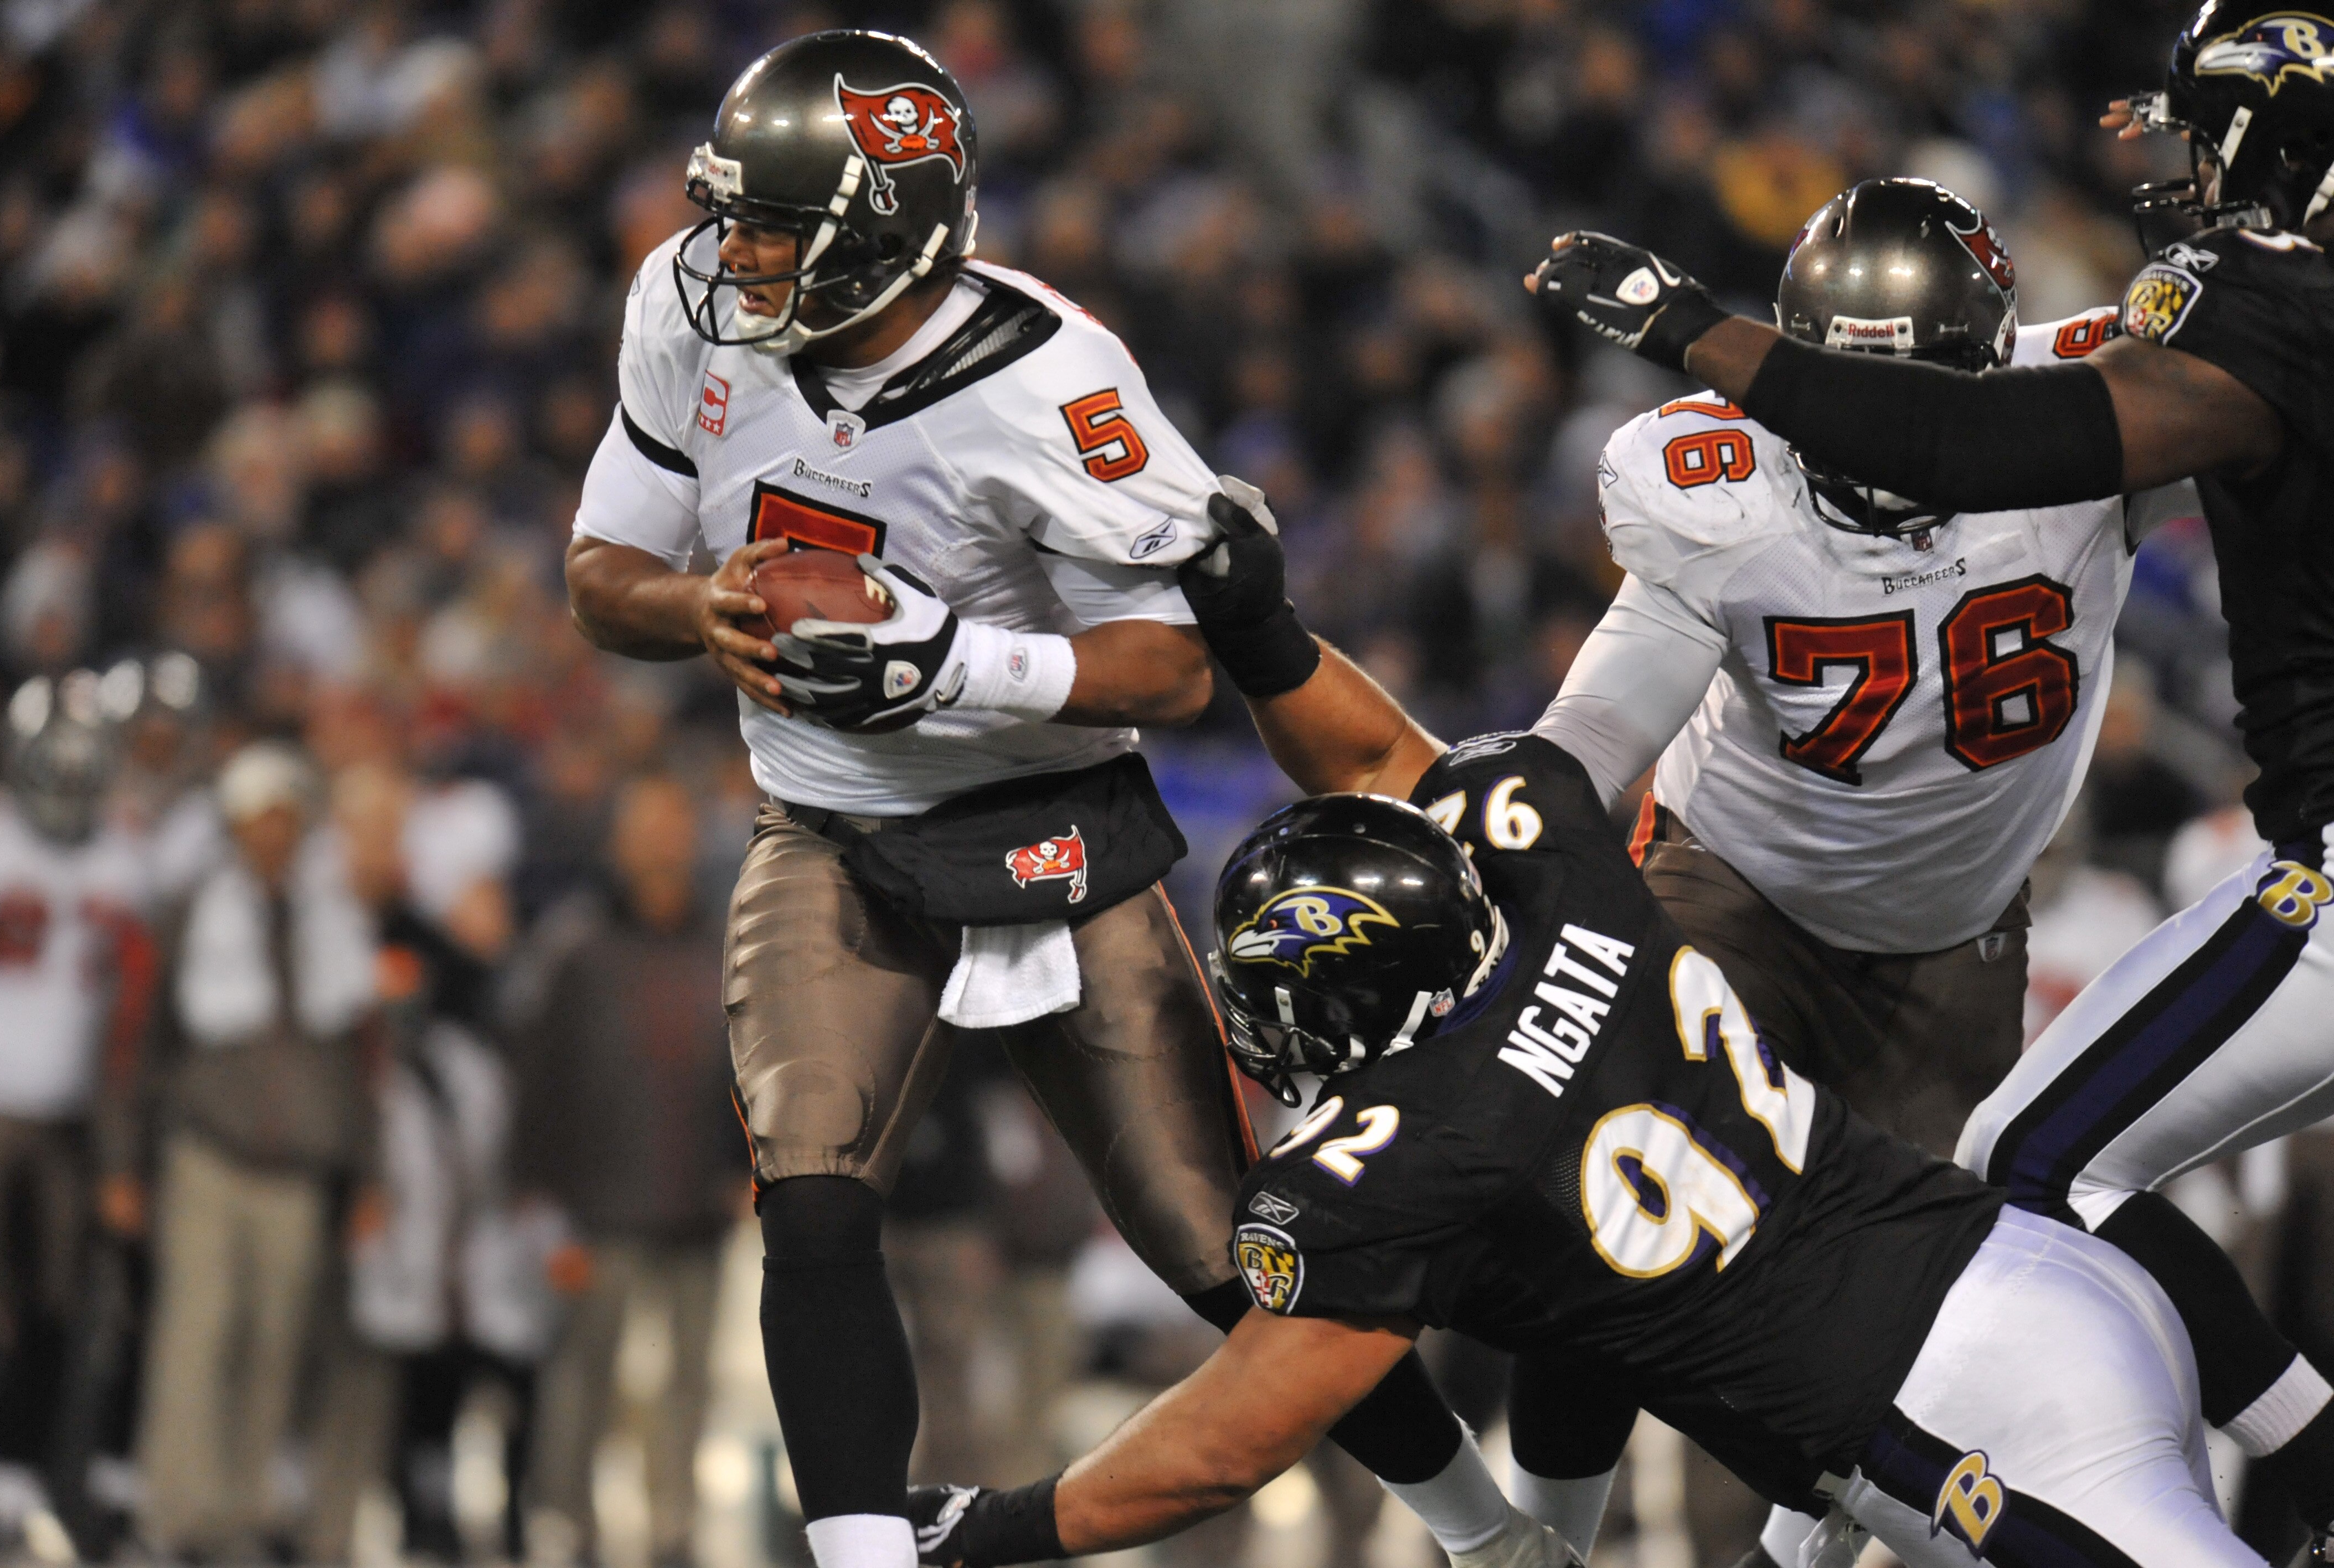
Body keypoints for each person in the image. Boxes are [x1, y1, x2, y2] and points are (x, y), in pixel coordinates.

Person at [900, 500, 2265, 1568]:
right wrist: (1261, 635)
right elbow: (1385, 763)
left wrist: (997, 1527)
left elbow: (1227, 1439)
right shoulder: (1552, 877)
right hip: (2031, 1275)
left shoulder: (1409, 1158)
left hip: (1963, 1417)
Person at [559, 32, 1488, 1568]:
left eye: (779, 224)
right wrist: (696, 610)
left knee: (1214, 1244)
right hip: (833, 826)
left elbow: (1178, 672)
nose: (739, 254)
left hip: (1046, 830)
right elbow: (602, 574)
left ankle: (1481, 1532)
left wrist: (949, 662)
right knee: (811, 1182)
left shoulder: (1053, 381)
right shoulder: (688, 301)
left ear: (888, 228)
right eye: (735, 215)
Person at [1529, 3, 2334, 1549]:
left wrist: (1695, 323)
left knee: (1945, 1295)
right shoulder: (1712, 478)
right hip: (1740, 893)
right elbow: (1610, 712)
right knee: (1612, 1216)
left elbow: (1966, 445)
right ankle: (1537, 1549)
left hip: (1959, 941)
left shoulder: (2107, 404)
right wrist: (1540, 799)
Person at [133, 741, 381, 1560]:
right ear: (235, 826)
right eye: (259, 818)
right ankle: (177, 1516)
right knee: (196, 1338)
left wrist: (368, 1171)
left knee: (273, 1348)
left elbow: (360, 1060)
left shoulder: (333, 917)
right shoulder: (190, 911)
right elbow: (137, 1040)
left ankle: (237, 1516)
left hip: (300, 1169)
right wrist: (121, 1159)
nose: (273, 834)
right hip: (210, 1150)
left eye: (286, 818)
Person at [503, 773, 749, 1568]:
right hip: (596, 1204)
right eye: (644, 827)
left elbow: (751, 1069)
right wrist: (534, 1195)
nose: (661, 843)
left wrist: (745, 1165)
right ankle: (568, 1526)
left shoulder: (726, 940)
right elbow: (538, 1076)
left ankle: (673, 1528)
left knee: (687, 1386)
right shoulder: (577, 947)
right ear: (616, 841)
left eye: (674, 824)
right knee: (584, 1381)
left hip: (696, 1206)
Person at [0, 678, 152, 1480]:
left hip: (76, 1114)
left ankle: (15, 1473)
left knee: (56, 1303)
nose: (73, 782)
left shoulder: (127, 856)